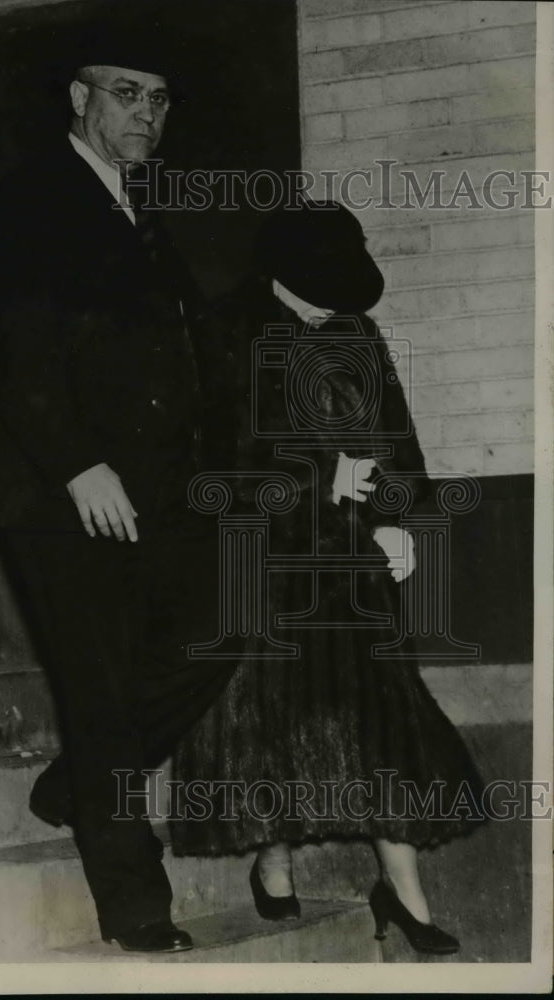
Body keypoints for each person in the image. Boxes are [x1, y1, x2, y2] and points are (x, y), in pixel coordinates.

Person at [0, 31, 235, 954]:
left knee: (219, 630)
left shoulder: (140, 208)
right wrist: (78, 464)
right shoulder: (32, 201)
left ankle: (75, 784)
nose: (147, 116)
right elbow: (12, 350)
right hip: (63, 495)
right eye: (127, 94)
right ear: (80, 100)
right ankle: (135, 906)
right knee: (104, 690)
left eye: (160, 99)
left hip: (155, 497)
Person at [169, 200, 485, 956]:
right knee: (271, 720)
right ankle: (271, 862)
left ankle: (404, 895)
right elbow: (209, 462)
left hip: (352, 560)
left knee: (381, 718)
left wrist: (398, 521)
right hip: (264, 561)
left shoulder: (354, 327)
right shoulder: (222, 329)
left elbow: (395, 438)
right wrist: (317, 474)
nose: (333, 308)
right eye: (319, 292)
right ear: (278, 276)